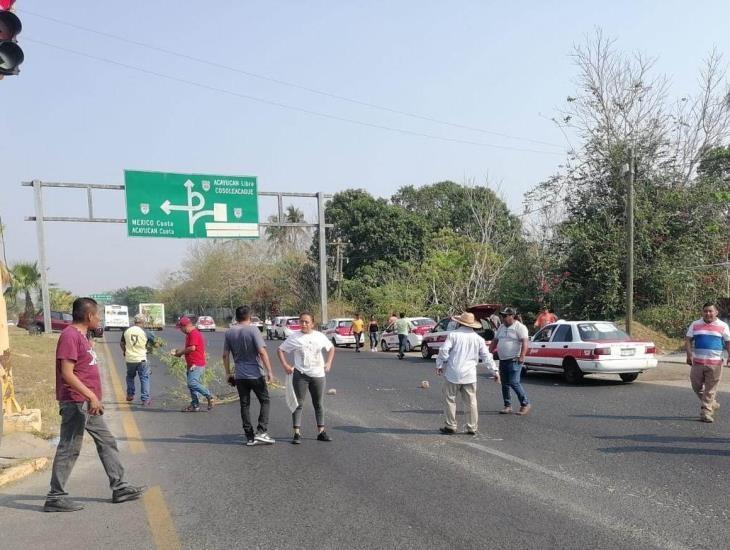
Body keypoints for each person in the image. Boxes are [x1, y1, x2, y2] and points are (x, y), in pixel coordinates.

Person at [44, 297, 146, 512]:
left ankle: (120, 487)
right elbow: (67, 373)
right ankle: (55, 496)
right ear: (89, 316)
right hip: (76, 402)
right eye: (97, 315)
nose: (99, 319)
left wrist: (92, 398)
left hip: (88, 403)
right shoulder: (70, 336)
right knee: (69, 448)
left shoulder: (81, 336)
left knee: (107, 441)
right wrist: (91, 395)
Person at [436, 312, 499, 435]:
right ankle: (472, 427)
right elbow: (486, 356)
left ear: (460, 322)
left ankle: (450, 425)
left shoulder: (453, 335)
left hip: (453, 373)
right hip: (469, 374)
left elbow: (443, 350)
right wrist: (495, 370)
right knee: (471, 402)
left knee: (450, 399)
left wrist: (440, 364)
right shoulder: (478, 339)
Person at [277, 312, 335, 444]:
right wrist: (285, 365)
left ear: (312, 324)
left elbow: (331, 348)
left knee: (318, 403)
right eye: (301, 321)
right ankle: (296, 433)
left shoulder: (319, 336)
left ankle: (321, 431)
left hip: (318, 375)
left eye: (306, 322)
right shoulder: (294, 337)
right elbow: (280, 350)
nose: (303, 324)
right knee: (299, 403)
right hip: (301, 375)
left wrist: (329, 362)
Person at [223, 306, 275, 445]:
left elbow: (225, 355)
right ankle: (261, 431)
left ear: (236, 317)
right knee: (265, 400)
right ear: (250, 316)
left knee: (244, 404)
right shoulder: (253, 330)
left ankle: (249, 436)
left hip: (240, 375)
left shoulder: (229, 332)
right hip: (255, 374)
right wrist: (269, 372)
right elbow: (262, 352)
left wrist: (228, 373)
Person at [685, 302, 730, 423]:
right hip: (698, 362)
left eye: (711, 311)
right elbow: (688, 340)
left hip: (715, 363)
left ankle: (706, 412)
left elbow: (728, 342)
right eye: (706, 311)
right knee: (696, 386)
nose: (708, 313)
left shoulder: (723, 325)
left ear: (716, 312)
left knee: (710, 389)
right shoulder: (695, 324)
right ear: (702, 312)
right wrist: (689, 354)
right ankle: (712, 403)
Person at [490, 307, 531, 416]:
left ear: (512, 316)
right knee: (504, 384)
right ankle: (507, 405)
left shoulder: (520, 327)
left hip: (514, 359)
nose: (503, 318)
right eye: (502, 316)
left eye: (505, 316)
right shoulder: (501, 327)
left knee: (514, 382)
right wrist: (488, 352)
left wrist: (522, 356)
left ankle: (525, 404)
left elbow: (525, 342)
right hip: (503, 359)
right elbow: (495, 340)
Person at [172, 316, 214, 412]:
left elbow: (192, 348)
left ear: (186, 326)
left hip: (196, 364)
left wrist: (180, 353)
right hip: (192, 363)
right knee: (192, 386)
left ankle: (209, 396)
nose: (181, 330)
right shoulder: (190, 334)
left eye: (181, 328)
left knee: (192, 383)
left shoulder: (193, 333)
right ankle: (195, 405)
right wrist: (179, 351)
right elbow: (190, 347)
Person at [120, 313, 156, 406]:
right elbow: (154, 342)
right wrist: (149, 349)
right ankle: (145, 399)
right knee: (144, 378)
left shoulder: (127, 330)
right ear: (143, 321)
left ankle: (130, 394)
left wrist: (125, 351)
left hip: (130, 359)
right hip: (141, 359)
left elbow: (122, 343)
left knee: (130, 376)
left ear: (135, 321)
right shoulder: (145, 332)